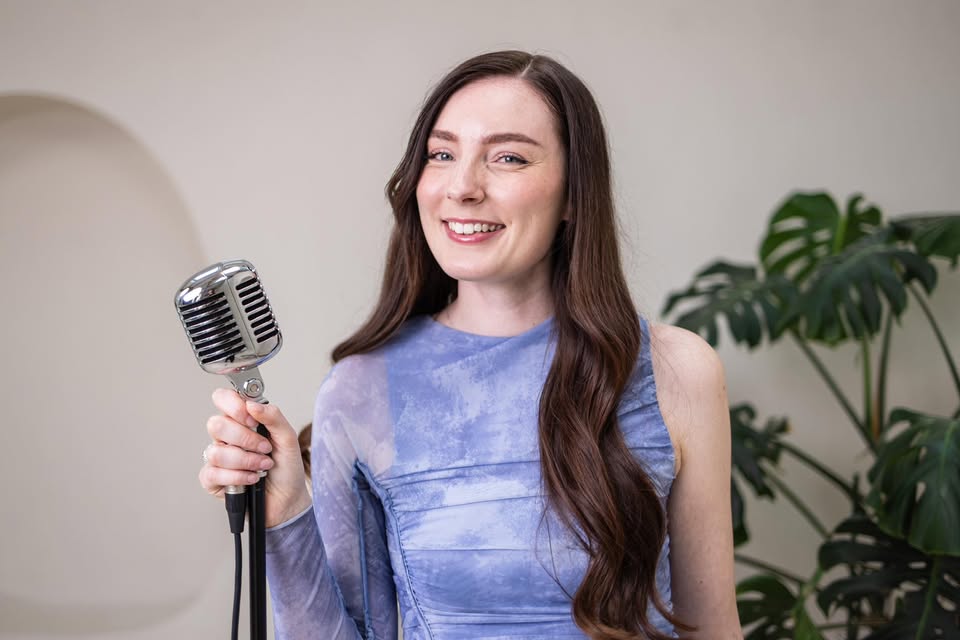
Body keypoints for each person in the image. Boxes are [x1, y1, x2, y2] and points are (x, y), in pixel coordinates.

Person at [199, 50, 742, 639]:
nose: (462, 187)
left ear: (574, 194)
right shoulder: (361, 390)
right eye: (442, 154)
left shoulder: (676, 370)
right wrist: (283, 517)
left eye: (508, 157)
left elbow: (712, 628)